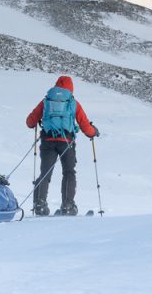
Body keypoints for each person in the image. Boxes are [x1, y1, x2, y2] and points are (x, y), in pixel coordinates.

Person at [25, 75, 98, 216]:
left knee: (45, 172)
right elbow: (85, 126)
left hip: (48, 141)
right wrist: (93, 132)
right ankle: (68, 206)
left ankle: (39, 204)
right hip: (66, 142)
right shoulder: (72, 102)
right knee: (69, 172)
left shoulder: (46, 100)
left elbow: (30, 122)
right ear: (71, 88)